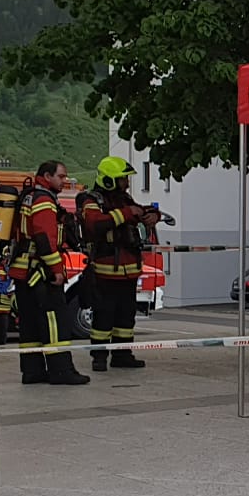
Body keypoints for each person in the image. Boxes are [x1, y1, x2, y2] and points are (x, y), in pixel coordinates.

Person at [78, 157, 161, 371]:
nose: (127, 182)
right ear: (109, 180)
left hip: (129, 272)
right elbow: (95, 224)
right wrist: (127, 213)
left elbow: (139, 210)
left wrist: (153, 215)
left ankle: (122, 355)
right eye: (123, 179)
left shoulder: (124, 199)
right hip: (105, 272)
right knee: (103, 317)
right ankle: (99, 357)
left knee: (126, 317)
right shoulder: (91, 200)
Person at [9, 160, 89, 385]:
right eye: (61, 176)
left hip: (24, 272)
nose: (65, 180)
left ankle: (32, 371)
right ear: (46, 176)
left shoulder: (28, 196)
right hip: (41, 273)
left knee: (30, 324)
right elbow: (44, 237)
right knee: (56, 322)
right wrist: (56, 270)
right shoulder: (44, 200)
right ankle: (61, 370)